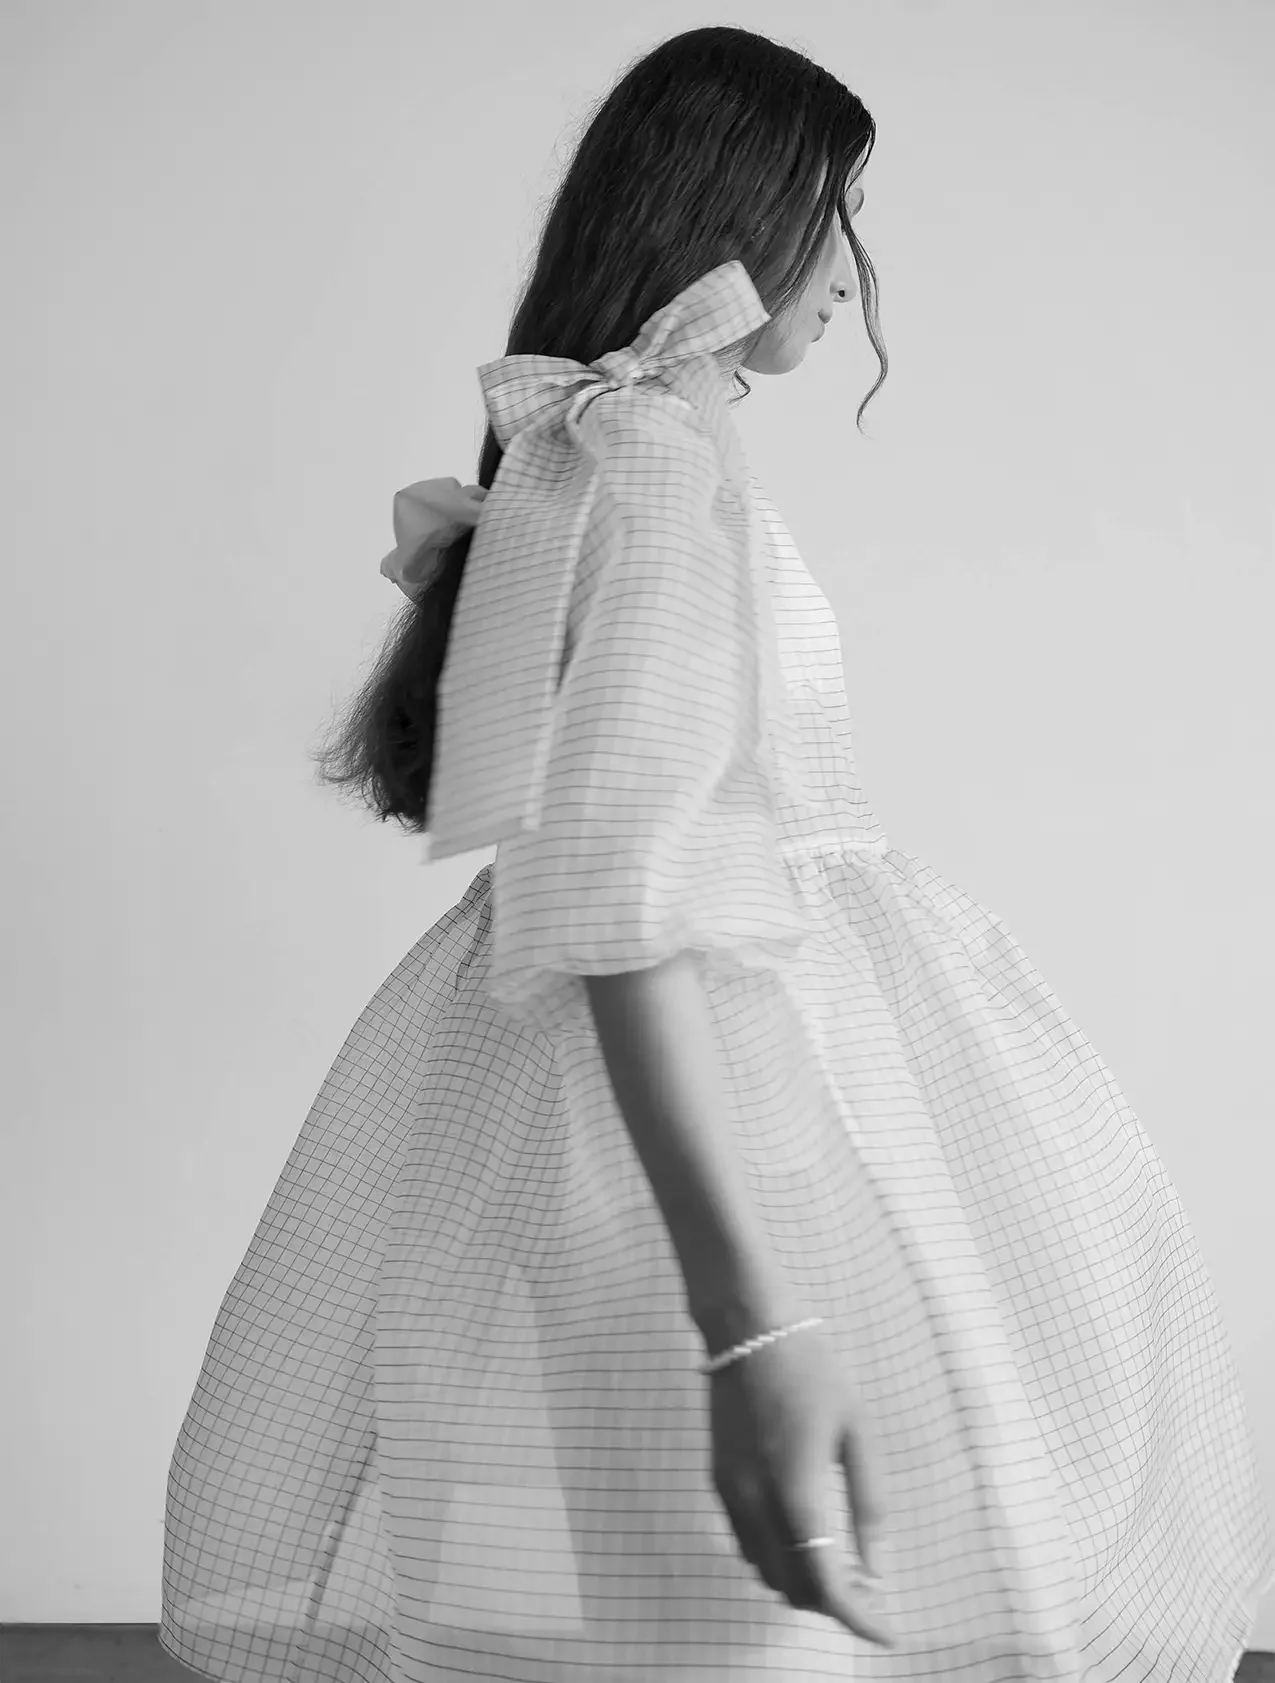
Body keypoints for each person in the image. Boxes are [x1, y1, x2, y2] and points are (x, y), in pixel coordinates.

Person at [158, 25, 1274, 1683]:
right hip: (725, 1091)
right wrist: (755, 1324)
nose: (855, 269)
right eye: (842, 210)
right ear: (741, 215)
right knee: (760, 1619)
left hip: (614, 1094)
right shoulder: (648, 474)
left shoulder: (585, 464)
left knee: (711, 1608)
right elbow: (625, 905)